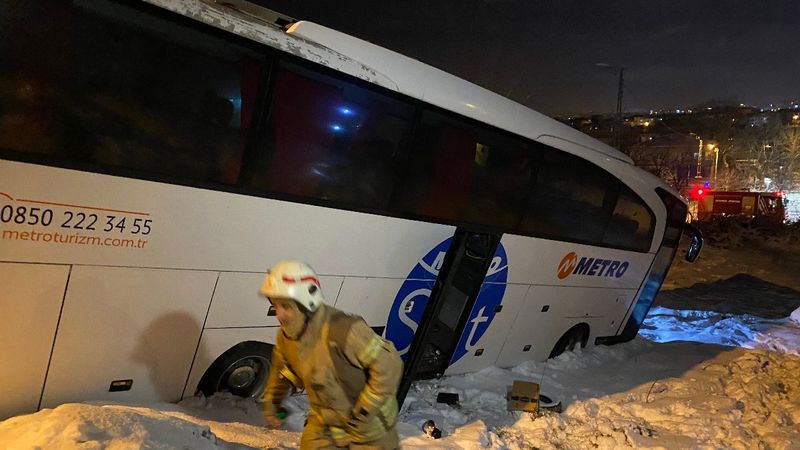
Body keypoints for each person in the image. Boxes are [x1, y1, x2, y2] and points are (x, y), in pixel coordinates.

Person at [259, 260, 403, 449]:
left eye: (286, 307)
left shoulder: (345, 329)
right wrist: (272, 401)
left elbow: (389, 365)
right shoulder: (287, 337)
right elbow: (283, 369)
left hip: (369, 429)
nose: (280, 315)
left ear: (307, 304)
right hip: (325, 424)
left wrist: (366, 410)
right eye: (276, 306)